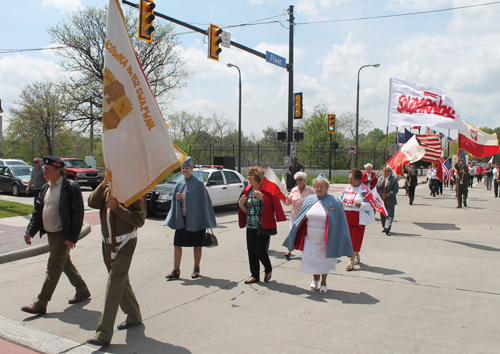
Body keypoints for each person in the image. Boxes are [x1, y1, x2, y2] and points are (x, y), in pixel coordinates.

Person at [21, 156, 89, 315]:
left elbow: (78, 214)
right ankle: (82, 289)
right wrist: (30, 231)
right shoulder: (45, 188)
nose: (43, 171)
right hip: (51, 234)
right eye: (43, 169)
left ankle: (41, 302)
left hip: (62, 234)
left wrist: (72, 237)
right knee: (64, 263)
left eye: (47, 169)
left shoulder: (71, 187)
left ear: (59, 171)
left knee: (53, 267)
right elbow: (37, 212)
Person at [86, 177, 146, 348]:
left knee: (114, 283)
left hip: (125, 243)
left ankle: (103, 333)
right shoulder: (108, 188)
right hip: (107, 243)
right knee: (121, 281)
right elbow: (92, 202)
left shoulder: (135, 189)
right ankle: (134, 315)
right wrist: (103, 184)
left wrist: (117, 209)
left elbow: (139, 220)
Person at [283, 174, 353, 293]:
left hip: (326, 240)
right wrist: (294, 233)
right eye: (316, 186)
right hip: (310, 239)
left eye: (321, 186)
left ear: (326, 187)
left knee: (324, 262)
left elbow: (340, 221)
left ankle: (323, 282)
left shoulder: (334, 201)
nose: (319, 189)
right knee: (313, 260)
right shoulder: (309, 200)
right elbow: (301, 217)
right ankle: (315, 280)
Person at [164, 157, 217, 280]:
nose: (185, 170)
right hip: (182, 220)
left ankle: (196, 268)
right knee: (177, 244)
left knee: (197, 245)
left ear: (192, 169)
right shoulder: (179, 183)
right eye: (183, 168)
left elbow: (205, 202)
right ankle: (176, 270)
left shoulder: (198, 184)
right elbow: (177, 202)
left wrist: (207, 219)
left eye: (187, 167)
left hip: (196, 219)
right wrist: (178, 200)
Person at [238, 166, 286, 284]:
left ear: (258, 177)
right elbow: (247, 210)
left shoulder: (265, 190)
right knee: (251, 250)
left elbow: (271, 207)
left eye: (251, 175)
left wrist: (263, 198)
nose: (248, 177)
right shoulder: (247, 190)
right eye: (248, 174)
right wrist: (241, 204)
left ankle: (268, 268)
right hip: (250, 225)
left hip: (263, 225)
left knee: (259, 250)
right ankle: (254, 275)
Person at [340, 168, 374, 271]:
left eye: (352, 178)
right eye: (349, 178)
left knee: (355, 239)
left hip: (359, 218)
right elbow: (341, 199)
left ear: (359, 179)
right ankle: (356, 255)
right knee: (349, 239)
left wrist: (361, 205)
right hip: (346, 217)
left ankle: (351, 261)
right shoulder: (346, 189)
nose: (350, 180)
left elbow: (371, 204)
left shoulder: (365, 190)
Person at [283, 171, 315, 259]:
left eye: (300, 179)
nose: (299, 181)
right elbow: (288, 202)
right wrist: (281, 198)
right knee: (292, 233)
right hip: (295, 216)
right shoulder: (293, 190)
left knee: (306, 234)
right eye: (297, 180)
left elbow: (316, 201)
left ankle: (307, 251)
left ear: (304, 180)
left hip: (306, 217)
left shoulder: (310, 190)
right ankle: (289, 250)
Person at [376, 165, 399, 236]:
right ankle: (384, 226)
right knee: (383, 215)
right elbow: (377, 186)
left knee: (389, 214)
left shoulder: (394, 179)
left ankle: (388, 227)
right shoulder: (380, 178)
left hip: (390, 200)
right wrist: (382, 183)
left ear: (390, 172)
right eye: (384, 171)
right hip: (382, 200)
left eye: (387, 171)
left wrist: (388, 195)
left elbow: (396, 190)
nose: (386, 172)